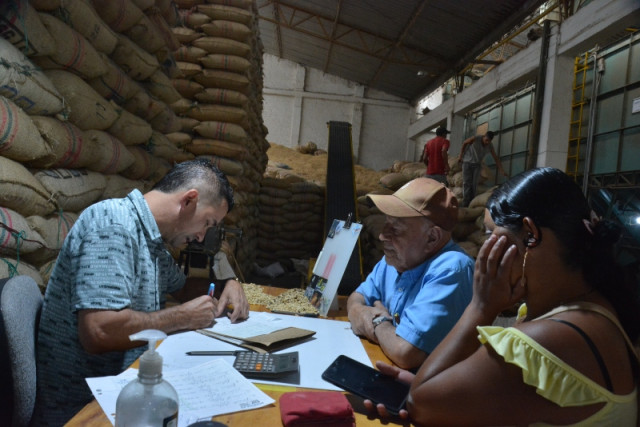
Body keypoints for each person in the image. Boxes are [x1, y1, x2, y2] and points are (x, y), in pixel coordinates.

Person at [367, 168, 640, 425]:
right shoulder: (589, 310)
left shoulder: (551, 339)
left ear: (530, 235)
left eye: (490, 234)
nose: (483, 249)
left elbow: (421, 403)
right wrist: (424, 384)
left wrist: (480, 307)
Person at [32, 159, 250, 425]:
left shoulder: (152, 240)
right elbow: (98, 331)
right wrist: (180, 318)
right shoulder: (112, 224)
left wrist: (229, 283)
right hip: (85, 408)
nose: (202, 236)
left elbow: (183, 288)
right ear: (189, 201)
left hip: (128, 391)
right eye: (207, 222)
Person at [347, 177, 474, 370]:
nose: (383, 235)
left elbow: (406, 353)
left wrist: (377, 321)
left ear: (432, 237)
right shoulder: (394, 260)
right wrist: (364, 313)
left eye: (396, 228)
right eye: (386, 224)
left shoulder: (451, 269)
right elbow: (355, 299)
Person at [457, 130, 507, 207]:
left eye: (489, 141)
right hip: (467, 163)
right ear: (484, 136)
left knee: (474, 185)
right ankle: (465, 203)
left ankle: (472, 203)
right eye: (486, 140)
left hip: (477, 165)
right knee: (467, 183)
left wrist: (501, 170)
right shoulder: (476, 138)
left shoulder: (490, 145)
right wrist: (460, 155)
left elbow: (496, 158)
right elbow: (465, 143)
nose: (487, 142)